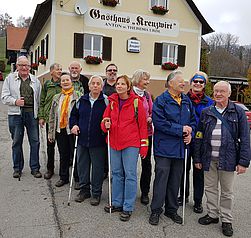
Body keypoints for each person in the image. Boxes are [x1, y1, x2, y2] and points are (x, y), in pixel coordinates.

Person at [194, 81, 250, 237]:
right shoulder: (206, 112)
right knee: (210, 189)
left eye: (222, 91)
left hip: (229, 158)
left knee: (227, 192)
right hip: (208, 157)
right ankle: (212, 214)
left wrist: (243, 162)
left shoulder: (237, 112)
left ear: (229, 93)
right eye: (216, 91)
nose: (218, 94)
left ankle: (226, 220)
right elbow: (199, 136)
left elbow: (245, 138)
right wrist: (197, 157)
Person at [149, 70, 196, 226]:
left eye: (184, 81)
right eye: (180, 81)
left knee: (175, 180)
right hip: (164, 148)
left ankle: (171, 209)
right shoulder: (161, 101)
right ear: (170, 83)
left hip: (181, 148)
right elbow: (160, 123)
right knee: (161, 179)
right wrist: (181, 129)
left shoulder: (186, 101)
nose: (184, 84)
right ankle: (156, 210)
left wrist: (191, 133)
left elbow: (193, 122)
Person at [101, 75, 148, 222]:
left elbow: (142, 125)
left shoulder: (136, 102)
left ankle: (127, 207)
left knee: (130, 175)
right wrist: (105, 124)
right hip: (114, 142)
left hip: (131, 144)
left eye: (123, 84)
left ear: (128, 87)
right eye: (118, 84)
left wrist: (144, 146)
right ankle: (116, 203)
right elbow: (104, 121)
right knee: (116, 173)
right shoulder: (112, 102)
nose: (119, 86)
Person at [178, 71, 214, 213]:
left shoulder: (209, 102)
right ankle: (183, 195)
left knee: (199, 172)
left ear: (204, 85)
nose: (198, 84)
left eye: (201, 82)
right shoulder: (184, 99)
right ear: (191, 83)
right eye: (195, 81)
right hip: (186, 139)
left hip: (201, 141)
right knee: (183, 170)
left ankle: (198, 201)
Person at [70, 75, 108, 206]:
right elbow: (73, 116)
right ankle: (84, 190)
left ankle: (96, 193)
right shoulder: (82, 100)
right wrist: (73, 125)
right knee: (82, 167)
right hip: (82, 140)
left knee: (97, 169)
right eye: (93, 83)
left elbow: (110, 118)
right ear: (89, 86)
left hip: (98, 141)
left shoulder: (106, 101)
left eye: (98, 83)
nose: (96, 86)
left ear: (102, 86)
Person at [1, 56, 42, 178]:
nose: (24, 68)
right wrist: (15, 101)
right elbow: (4, 97)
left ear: (30, 67)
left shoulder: (35, 80)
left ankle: (35, 168)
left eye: (27, 65)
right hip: (16, 114)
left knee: (35, 142)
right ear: (17, 66)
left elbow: (39, 99)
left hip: (31, 114)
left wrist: (40, 116)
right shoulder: (10, 79)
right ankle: (17, 168)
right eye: (21, 65)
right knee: (16, 142)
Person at [48, 73, 79, 187]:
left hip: (73, 130)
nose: (65, 82)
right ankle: (63, 177)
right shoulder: (56, 97)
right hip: (60, 130)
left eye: (67, 80)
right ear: (60, 83)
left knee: (75, 155)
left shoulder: (78, 96)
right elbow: (52, 116)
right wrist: (51, 133)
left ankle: (77, 179)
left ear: (72, 82)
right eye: (63, 80)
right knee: (63, 155)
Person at [131, 69, 153, 205]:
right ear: (138, 80)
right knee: (130, 164)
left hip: (146, 134)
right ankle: (130, 191)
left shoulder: (147, 95)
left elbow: (152, 111)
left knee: (146, 164)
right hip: (132, 135)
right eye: (145, 79)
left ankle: (145, 192)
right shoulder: (129, 94)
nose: (148, 82)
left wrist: (150, 117)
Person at [38, 63, 62, 180]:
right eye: (58, 69)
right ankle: (50, 169)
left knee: (63, 147)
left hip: (62, 120)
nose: (60, 71)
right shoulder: (47, 84)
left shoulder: (64, 83)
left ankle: (64, 171)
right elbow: (42, 101)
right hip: (50, 120)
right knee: (50, 145)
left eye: (61, 69)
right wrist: (41, 117)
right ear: (51, 71)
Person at [68, 61, 89, 189]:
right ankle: (66, 175)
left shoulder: (85, 81)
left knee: (79, 152)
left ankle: (78, 177)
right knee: (68, 150)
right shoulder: (64, 79)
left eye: (76, 68)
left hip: (81, 118)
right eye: (72, 68)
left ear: (80, 69)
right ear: (69, 69)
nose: (74, 70)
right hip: (66, 119)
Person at [102, 63, 118, 179]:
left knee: (114, 149)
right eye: (109, 70)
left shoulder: (120, 85)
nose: (112, 72)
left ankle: (114, 172)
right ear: (106, 72)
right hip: (103, 120)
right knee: (103, 148)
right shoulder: (102, 84)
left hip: (117, 122)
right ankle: (104, 171)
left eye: (114, 70)